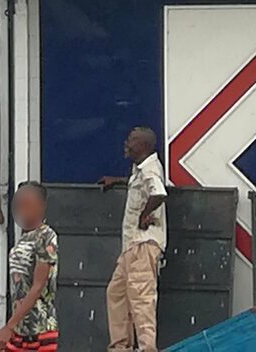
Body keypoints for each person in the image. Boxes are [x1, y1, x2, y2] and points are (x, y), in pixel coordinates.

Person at [99, 127, 167, 352]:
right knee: (116, 293)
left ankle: (147, 348)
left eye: (131, 140)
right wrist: (118, 181)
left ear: (143, 146)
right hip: (132, 246)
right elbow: (141, 186)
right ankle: (121, 346)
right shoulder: (141, 169)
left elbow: (159, 193)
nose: (126, 144)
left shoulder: (150, 169)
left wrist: (145, 215)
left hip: (143, 245)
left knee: (141, 300)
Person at [0, 182, 59, 352]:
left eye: (28, 205)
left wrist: (9, 327)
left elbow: (37, 286)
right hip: (20, 329)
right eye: (19, 205)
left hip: (39, 328)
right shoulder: (25, 237)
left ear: (42, 207)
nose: (23, 210)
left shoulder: (46, 236)